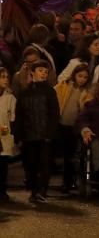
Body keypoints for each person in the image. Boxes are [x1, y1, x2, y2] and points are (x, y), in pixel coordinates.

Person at [14, 62, 60, 203]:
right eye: (41, 70)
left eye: (46, 72)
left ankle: (42, 191)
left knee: (44, 164)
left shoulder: (50, 91)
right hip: (28, 135)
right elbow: (19, 115)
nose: (43, 74)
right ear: (32, 72)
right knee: (31, 165)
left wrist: (50, 134)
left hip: (44, 135)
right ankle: (34, 191)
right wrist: (19, 136)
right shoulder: (24, 92)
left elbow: (54, 114)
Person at [55, 63, 93, 192]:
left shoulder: (87, 93)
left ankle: (72, 182)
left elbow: (86, 111)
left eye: (85, 77)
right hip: (62, 125)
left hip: (76, 128)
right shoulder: (64, 86)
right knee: (66, 156)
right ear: (74, 75)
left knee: (73, 156)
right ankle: (65, 183)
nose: (82, 79)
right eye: (80, 76)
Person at [0, 67, 17, 202]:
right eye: (2, 77)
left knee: (3, 164)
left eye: (7, 77)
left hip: (3, 134)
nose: (5, 79)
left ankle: (2, 190)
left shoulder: (10, 97)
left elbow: (12, 117)